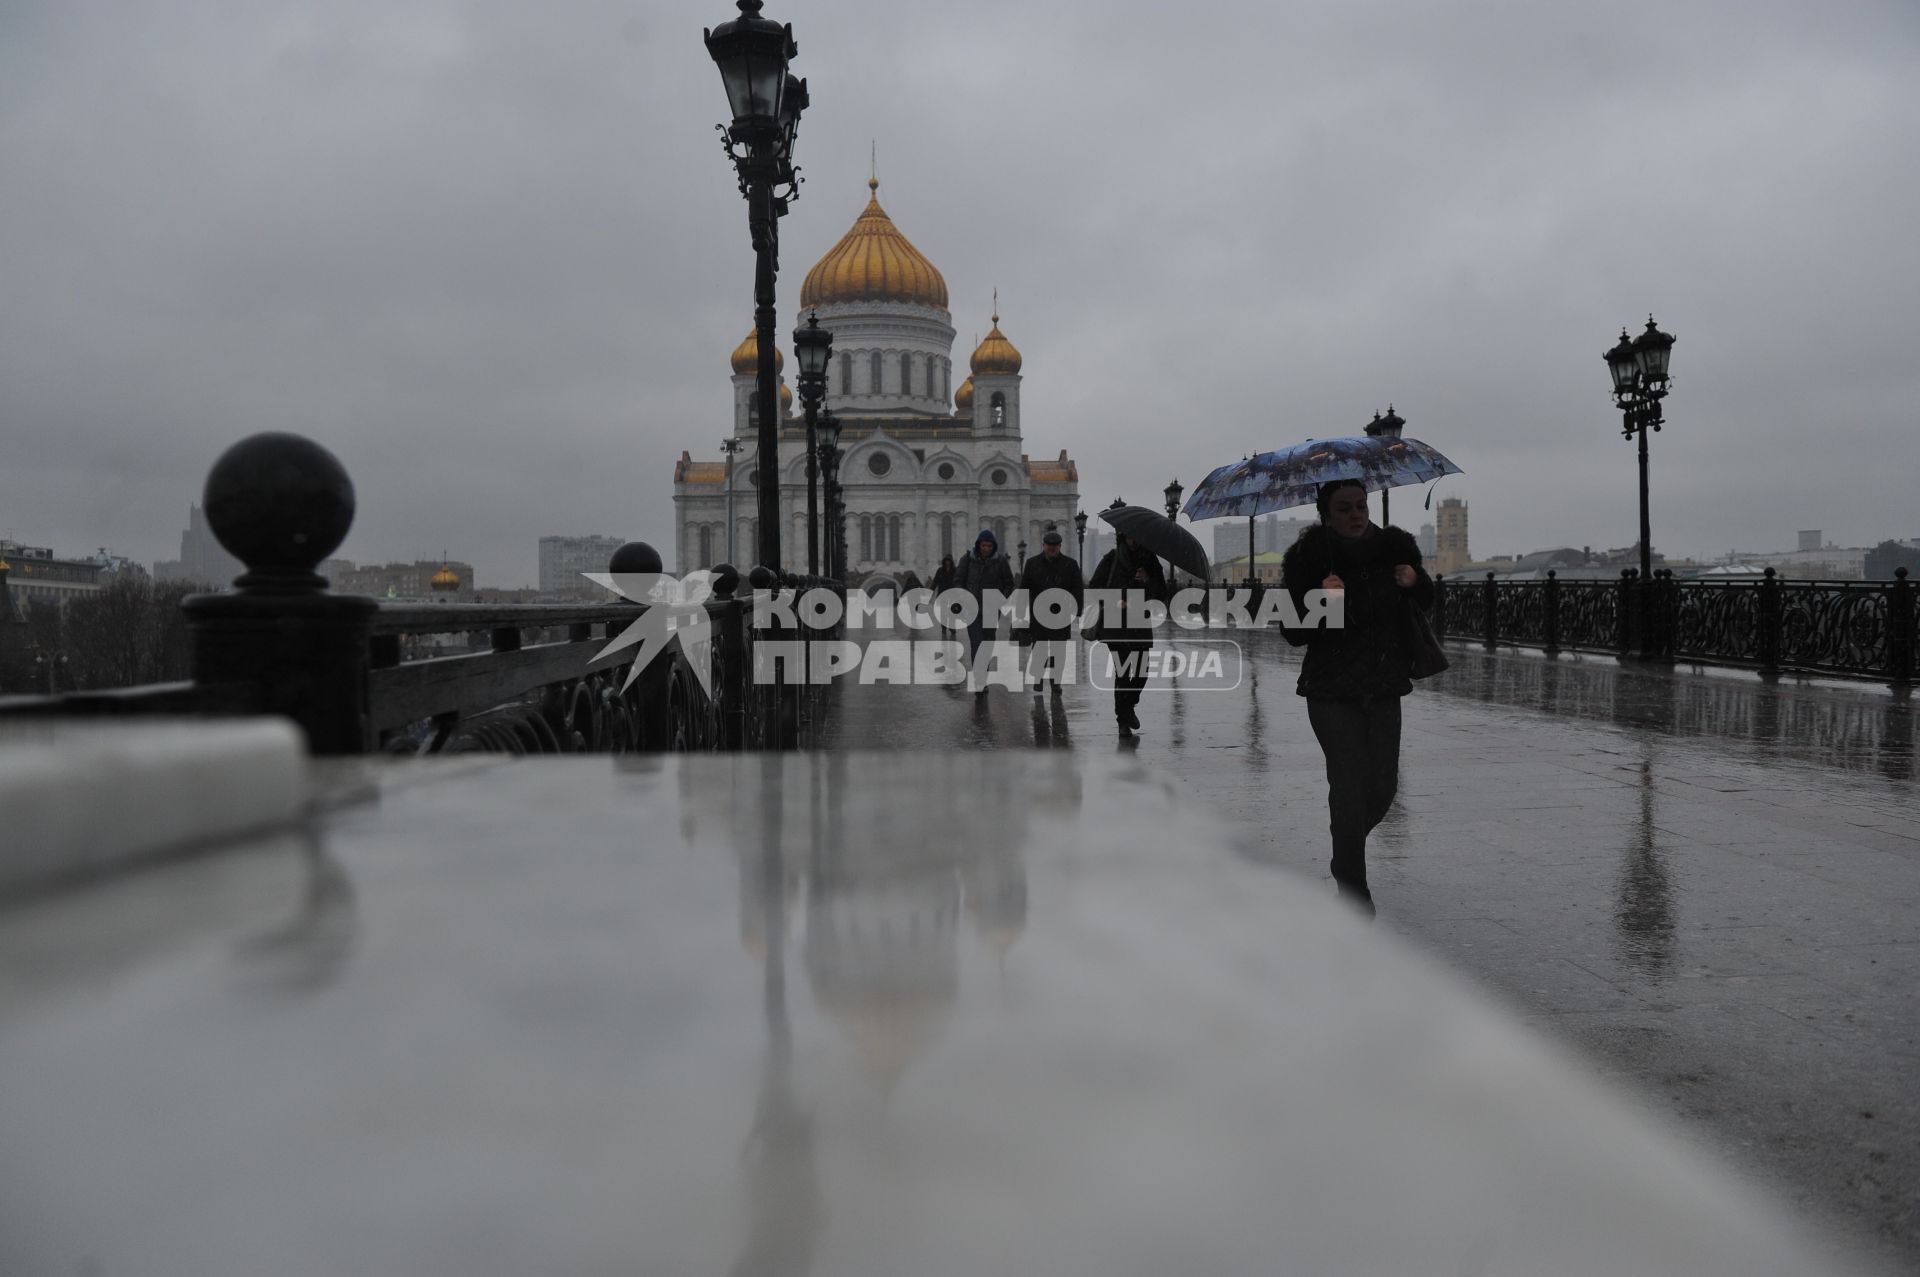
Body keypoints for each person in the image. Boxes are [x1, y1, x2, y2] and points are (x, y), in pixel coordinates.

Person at [1280, 479, 1433, 917]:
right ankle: (1353, 887)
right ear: (1327, 514)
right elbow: (1292, 633)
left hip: (1384, 685)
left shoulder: (1395, 549)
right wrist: (1321, 602)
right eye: (1344, 508)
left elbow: (1426, 605)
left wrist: (1414, 581)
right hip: (1331, 690)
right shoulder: (1308, 559)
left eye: (1361, 506)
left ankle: (1343, 850)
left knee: (1383, 787)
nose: (1355, 514)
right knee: (1348, 786)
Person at [1086, 532, 1168, 736]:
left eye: (1137, 535)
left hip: (1139, 620)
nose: (1135, 539)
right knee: (1122, 672)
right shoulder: (1112, 558)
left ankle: (1128, 707)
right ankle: (1122, 721)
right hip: (1115, 622)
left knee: (1142, 671)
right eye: (1131, 535)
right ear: (1124, 537)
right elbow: (1095, 587)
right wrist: (1116, 601)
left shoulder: (1150, 560)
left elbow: (1161, 592)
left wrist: (1147, 579)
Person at [1017, 529, 1083, 698]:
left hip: (1061, 614)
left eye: (1055, 546)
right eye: (1049, 545)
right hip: (1038, 613)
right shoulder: (1032, 564)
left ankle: (1055, 681)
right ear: (1043, 546)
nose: (1052, 548)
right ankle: (1038, 678)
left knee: (1059, 651)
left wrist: (1078, 609)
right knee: (1039, 648)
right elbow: (1024, 589)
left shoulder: (1070, 564)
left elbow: (1077, 588)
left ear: (1059, 546)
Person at [953, 529, 1014, 697]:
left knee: (987, 645)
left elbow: (1009, 583)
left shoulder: (1000, 562)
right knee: (976, 643)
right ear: (978, 545)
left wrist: (1000, 599)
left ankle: (983, 677)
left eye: (989, 545)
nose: (986, 548)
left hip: (991, 610)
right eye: (983, 545)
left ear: (993, 546)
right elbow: (958, 580)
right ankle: (979, 680)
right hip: (971, 609)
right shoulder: (968, 559)